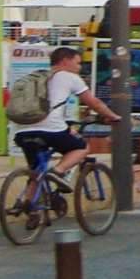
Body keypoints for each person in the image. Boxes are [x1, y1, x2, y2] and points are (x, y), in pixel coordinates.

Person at [14, 47, 119, 189]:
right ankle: (58, 171)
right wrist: (112, 116)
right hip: (50, 129)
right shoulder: (70, 77)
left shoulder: (36, 77)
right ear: (65, 61)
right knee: (81, 148)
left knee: (36, 171)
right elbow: (93, 102)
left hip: (21, 130)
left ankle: (26, 203)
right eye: (77, 63)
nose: (79, 67)